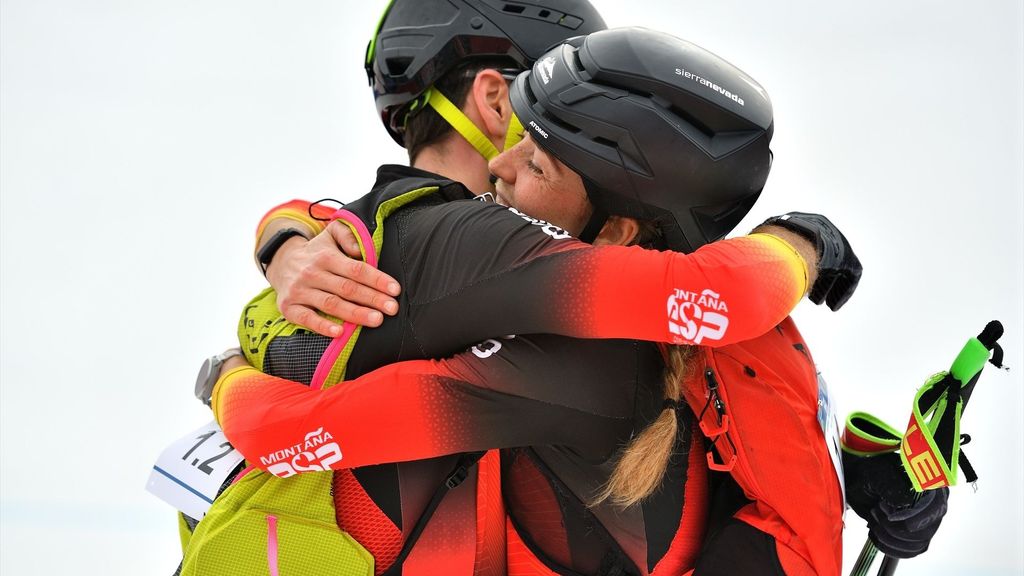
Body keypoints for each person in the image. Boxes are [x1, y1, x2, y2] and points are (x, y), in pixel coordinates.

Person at [211, 28, 860, 575]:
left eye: (539, 165)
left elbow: (285, 435)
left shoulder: (568, 369)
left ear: (616, 233)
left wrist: (223, 372)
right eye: (521, 137)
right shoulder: (674, 330)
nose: (501, 166)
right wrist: (286, 233)